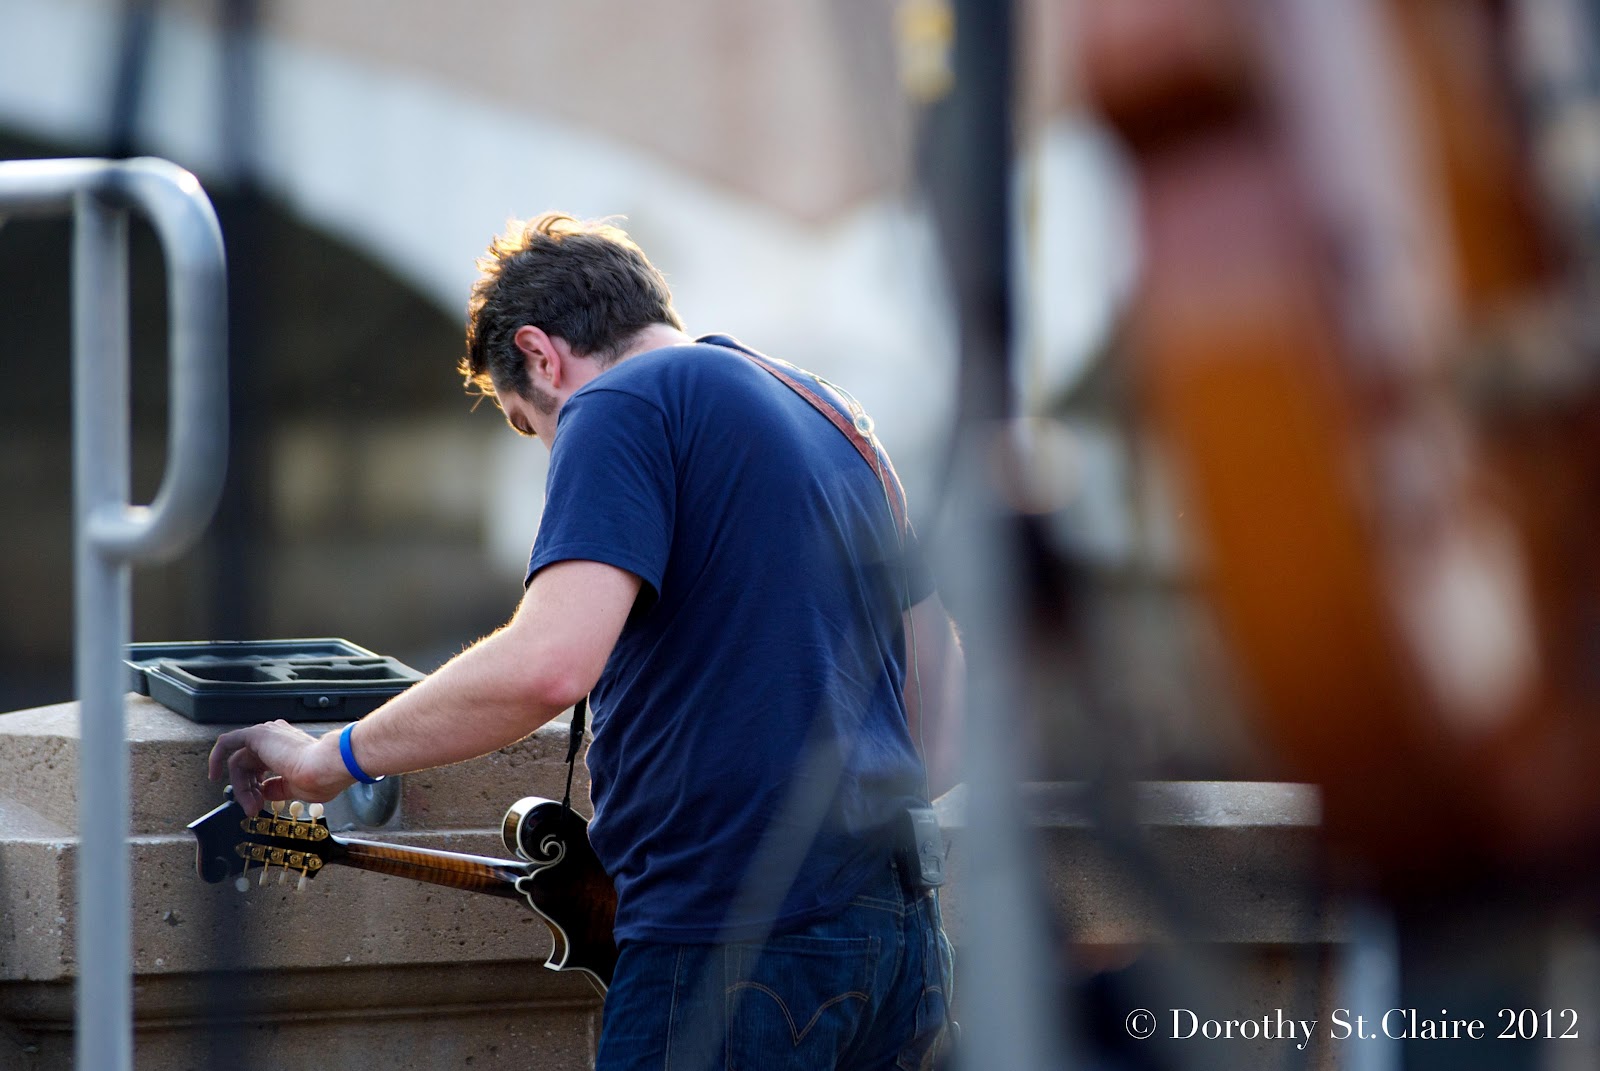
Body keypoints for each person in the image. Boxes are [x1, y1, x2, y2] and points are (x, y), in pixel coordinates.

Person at [208, 213, 964, 1070]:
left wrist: (330, 759)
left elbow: (548, 666)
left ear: (539, 355)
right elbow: (944, 722)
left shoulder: (619, 403)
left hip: (730, 946)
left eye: (527, 425)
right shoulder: (834, 417)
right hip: (901, 943)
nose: (550, 452)